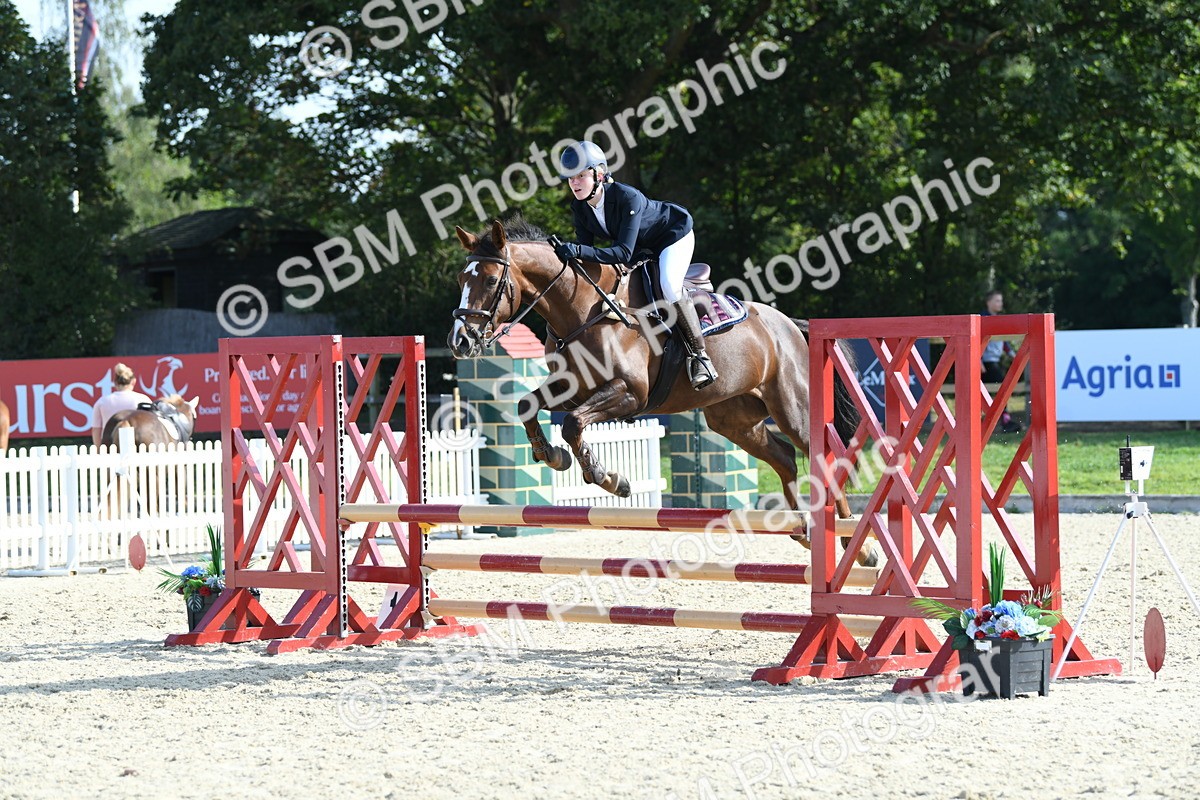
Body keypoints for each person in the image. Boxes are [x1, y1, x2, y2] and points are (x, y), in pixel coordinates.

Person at [551, 140, 718, 389]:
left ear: (599, 175)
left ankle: (700, 356)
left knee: (669, 286)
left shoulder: (627, 197)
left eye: (580, 176)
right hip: (642, 247)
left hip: (672, 235)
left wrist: (576, 250)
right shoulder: (580, 207)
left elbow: (622, 252)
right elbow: (586, 256)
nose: (574, 183)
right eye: (570, 178)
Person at [981, 291, 1020, 433]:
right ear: (988, 302)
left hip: (994, 362)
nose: (1000, 303)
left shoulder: (998, 319)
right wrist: (978, 361)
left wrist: (1012, 355)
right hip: (986, 363)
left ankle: (999, 420)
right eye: (997, 300)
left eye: (1001, 301)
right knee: (1002, 388)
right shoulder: (982, 319)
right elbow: (976, 341)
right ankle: (1004, 420)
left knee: (998, 390)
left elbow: (1003, 340)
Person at [91, 363, 153, 446]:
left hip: (110, 445)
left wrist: (99, 449)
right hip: (140, 444)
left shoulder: (102, 402)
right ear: (133, 381)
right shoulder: (143, 400)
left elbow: (96, 429)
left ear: (115, 382)